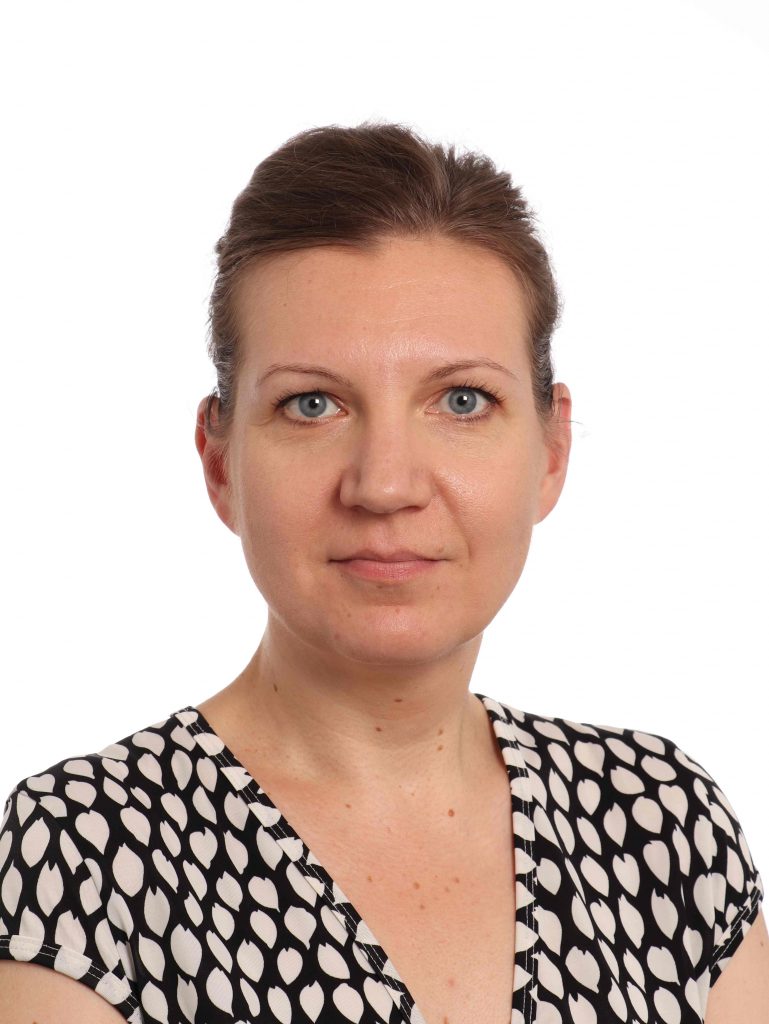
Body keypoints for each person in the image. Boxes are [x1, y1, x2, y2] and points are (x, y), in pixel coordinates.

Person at [0, 121, 766, 1024]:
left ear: (552, 448)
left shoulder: (658, 825)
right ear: (219, 462)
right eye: (312, 404)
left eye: (462, 400)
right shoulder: (88, 858)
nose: (386, 484)